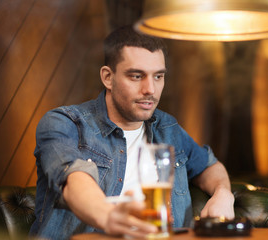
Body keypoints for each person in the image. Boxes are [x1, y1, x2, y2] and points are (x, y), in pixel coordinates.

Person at [29, 25, 234, 239]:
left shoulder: (167, 128)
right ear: (108, 77)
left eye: (158, 77)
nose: (150, 90)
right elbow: (74, 181)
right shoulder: (64, 123)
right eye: (137, 76)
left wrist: (223, 194)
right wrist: (109, 216)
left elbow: (209, 166)